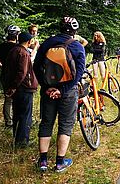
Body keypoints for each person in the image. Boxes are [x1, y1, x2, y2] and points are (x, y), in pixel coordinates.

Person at [33, 17, 85, 173]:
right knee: (65, 125)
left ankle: (42, 161)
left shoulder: (48, 43)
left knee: (46, 123)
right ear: (74, 31)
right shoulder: (77, 46)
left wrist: (46, 86)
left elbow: (36, 67)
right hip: (68, 92)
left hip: (48, 90)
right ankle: (59, 163)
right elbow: (79, 74)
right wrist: (62, 90)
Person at [2, 32, 38, 148]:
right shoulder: (23, 53)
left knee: (17, 114)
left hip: (16, 88)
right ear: (28, 42)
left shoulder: (13, 50)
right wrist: (14, 86)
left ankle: (16, 138)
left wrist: (10, 86)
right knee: (25, 116)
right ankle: (22, 142)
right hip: (24, 88)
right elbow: (22, 72)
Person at [0, 25, 21, 127]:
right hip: (17, 75)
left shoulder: (2, 46)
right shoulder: (18, 47)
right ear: (17, 35)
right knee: (18, 98)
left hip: (5, 74)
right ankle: (17, 120)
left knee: (8, 99)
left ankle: (8, 122)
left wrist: (1, 66)